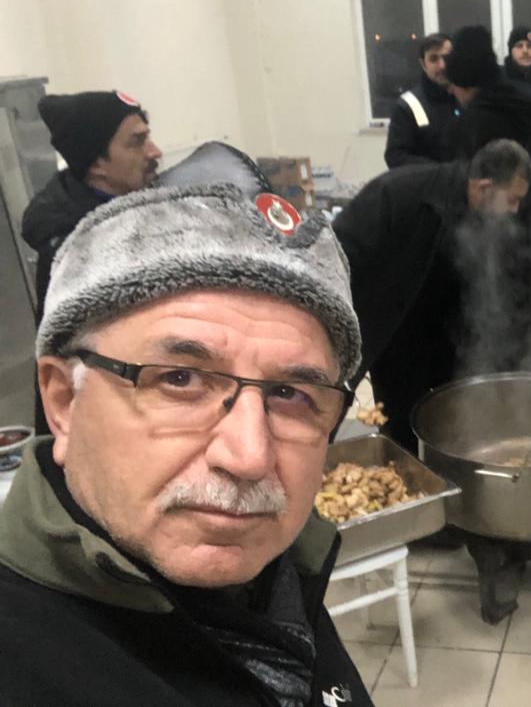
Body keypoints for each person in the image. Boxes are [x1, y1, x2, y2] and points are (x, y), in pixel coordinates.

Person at [0, 184, 373, 706]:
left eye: (290, 394)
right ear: (64, 402)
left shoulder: (280, 568)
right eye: (179, 379)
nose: (249, 457)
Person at [334, 139, 531, 452]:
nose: (515, 209)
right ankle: (409, 472)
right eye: (513, 199)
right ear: (485, 188)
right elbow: (338, 254)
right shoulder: (397, 194)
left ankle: (453, 469)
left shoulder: (492, 217)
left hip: (449, 337)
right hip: (399, 337)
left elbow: (525, 271)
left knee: (456, 420)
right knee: (403, 426)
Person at [20, 90, 162, 436]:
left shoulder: (138, 205)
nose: (154, 151)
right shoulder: (78, 247)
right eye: (137, 142)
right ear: (97, 163)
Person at [384, 32, 459, 168]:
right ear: (423, 64)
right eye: (434, 59)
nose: (442, 65)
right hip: (428, 181)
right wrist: (440, 171)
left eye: (447, 58)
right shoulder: (407, 105)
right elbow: (395, 156)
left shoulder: (467, 98)